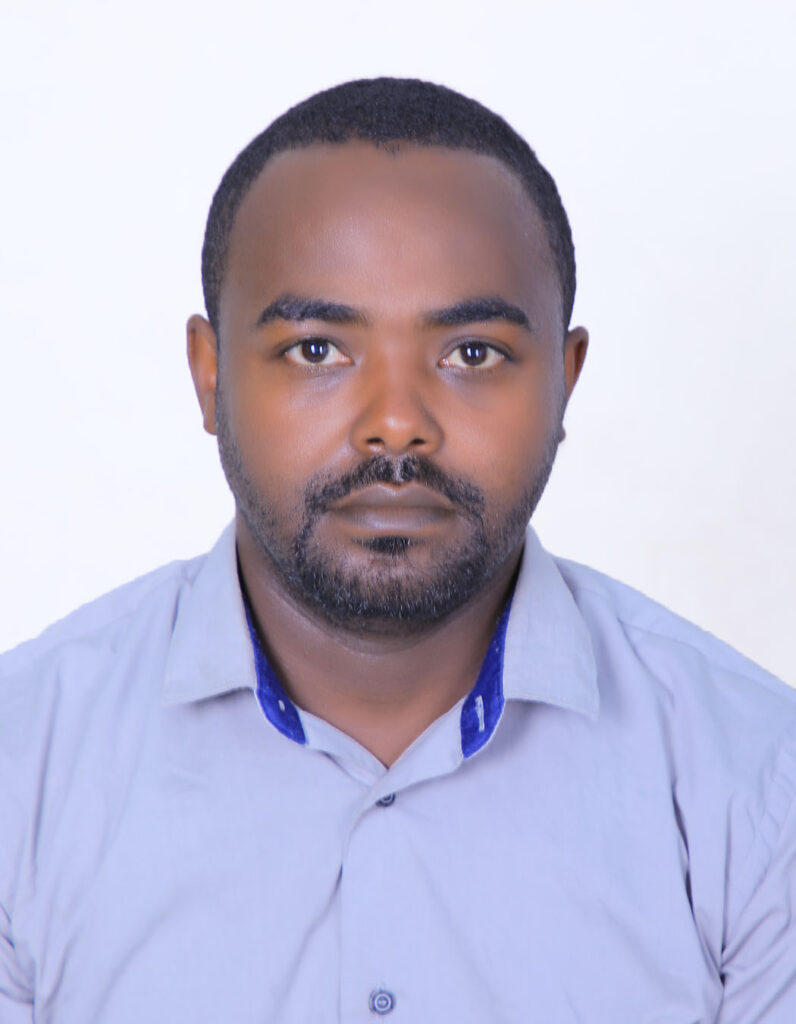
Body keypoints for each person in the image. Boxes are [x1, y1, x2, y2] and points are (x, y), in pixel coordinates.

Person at [1, 77, 794, 1024]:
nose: (394, 425)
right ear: (209, 378)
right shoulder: (23, 764)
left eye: (472, 354)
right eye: (316, 350)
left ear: (565, 379)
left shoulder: (759, 781)